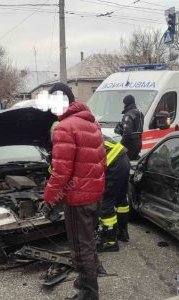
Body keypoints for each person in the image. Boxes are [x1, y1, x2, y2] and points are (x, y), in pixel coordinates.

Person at [43, 83, 106, 300]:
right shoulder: (92, 124)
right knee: (88, 242)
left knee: (81, 248)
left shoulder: (64, 128)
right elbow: (101, 161)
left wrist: (49, 199)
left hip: (78, 200)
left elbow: (61, 172)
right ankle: (85, 281)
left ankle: (88, 294)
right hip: (94, 196)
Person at [96, 136, 131, 252]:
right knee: (121, 198)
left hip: (113, 162)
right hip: (123, 158)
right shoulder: (88, 130)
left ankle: (110, 242)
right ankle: (122, 232)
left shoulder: (72, 139)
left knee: (106, 202)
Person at [114, 95, 144, 160]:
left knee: (125, 163)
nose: (123, 105)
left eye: (124, 103)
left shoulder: (128, 115)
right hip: (138, 143)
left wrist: (120, 146)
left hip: (130, 145)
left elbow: (127, 134)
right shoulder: (140, 113)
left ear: (127, 103)